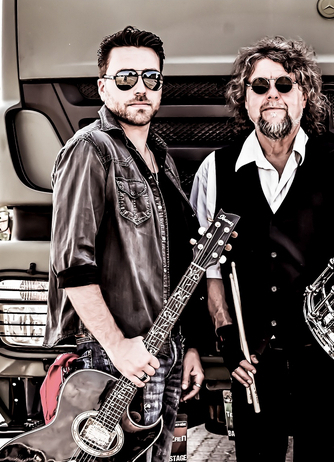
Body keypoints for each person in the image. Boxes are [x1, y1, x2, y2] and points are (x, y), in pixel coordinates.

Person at [189, 36, 334, 461]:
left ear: (304, 97)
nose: (272, 95)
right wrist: (226, 337)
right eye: (260, 86)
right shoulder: (215, 170)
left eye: (285, 85)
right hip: (251, 360)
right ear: (245, 99)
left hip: (324, 358)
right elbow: (211, 271)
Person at [46, 26, 205, 462]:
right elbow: (72, 265)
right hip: (111, 352)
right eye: (126, 77)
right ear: (103, 87)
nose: (140, 88)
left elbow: (175, 263)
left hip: (161, 349)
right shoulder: (90, 150)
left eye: (151, 78)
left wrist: (187, 344)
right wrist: (118, 347)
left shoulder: (161, 158)